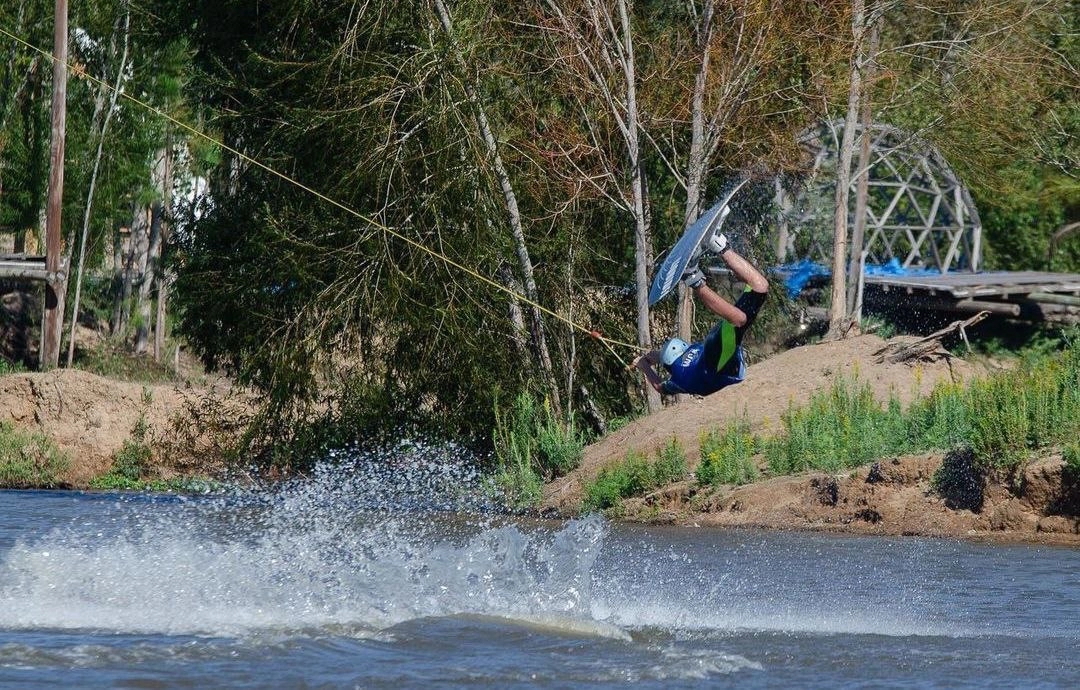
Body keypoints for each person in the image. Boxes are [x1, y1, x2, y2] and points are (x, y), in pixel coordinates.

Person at [634, 230, 768, 396]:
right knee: (757, 291)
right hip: (715, 359)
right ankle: (702, 268)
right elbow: (661, 375)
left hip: (718, 353)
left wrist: (644, 365)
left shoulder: (677, 377)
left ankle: (718, 245)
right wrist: (646, 363)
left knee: (751, 300)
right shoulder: (679, 376)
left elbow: (661, 385)